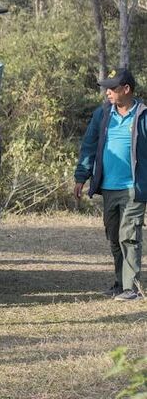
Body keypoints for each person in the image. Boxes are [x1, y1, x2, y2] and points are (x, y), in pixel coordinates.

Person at [74, 68, 146, 301]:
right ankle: (120, 282)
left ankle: (131, 288)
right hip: (108, 187)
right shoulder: (102, 114)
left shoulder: (143, 116)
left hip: (134, 188)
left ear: (126, 89)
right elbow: (89, 146)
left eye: (112, 88)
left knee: (129, 236)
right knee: (114, 237)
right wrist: (81, 176)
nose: (107, 92)